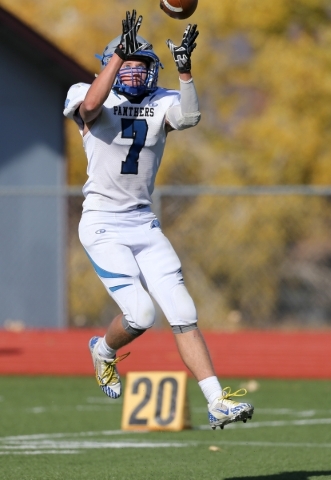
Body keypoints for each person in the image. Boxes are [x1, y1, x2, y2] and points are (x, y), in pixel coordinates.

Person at [63, 10, 254, 429]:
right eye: (125, 61)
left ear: (153, 70)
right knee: (141, 315)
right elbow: (92, 106)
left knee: (183, 310)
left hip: (142, 222)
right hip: (102, 223)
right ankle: (104, 351)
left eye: (139, 63)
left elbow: (189, 117)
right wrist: (118, 56)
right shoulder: (89, 91)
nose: (132, 69)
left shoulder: (162, 99)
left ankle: (217, 400)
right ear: (109, 64)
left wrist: (185, 72)